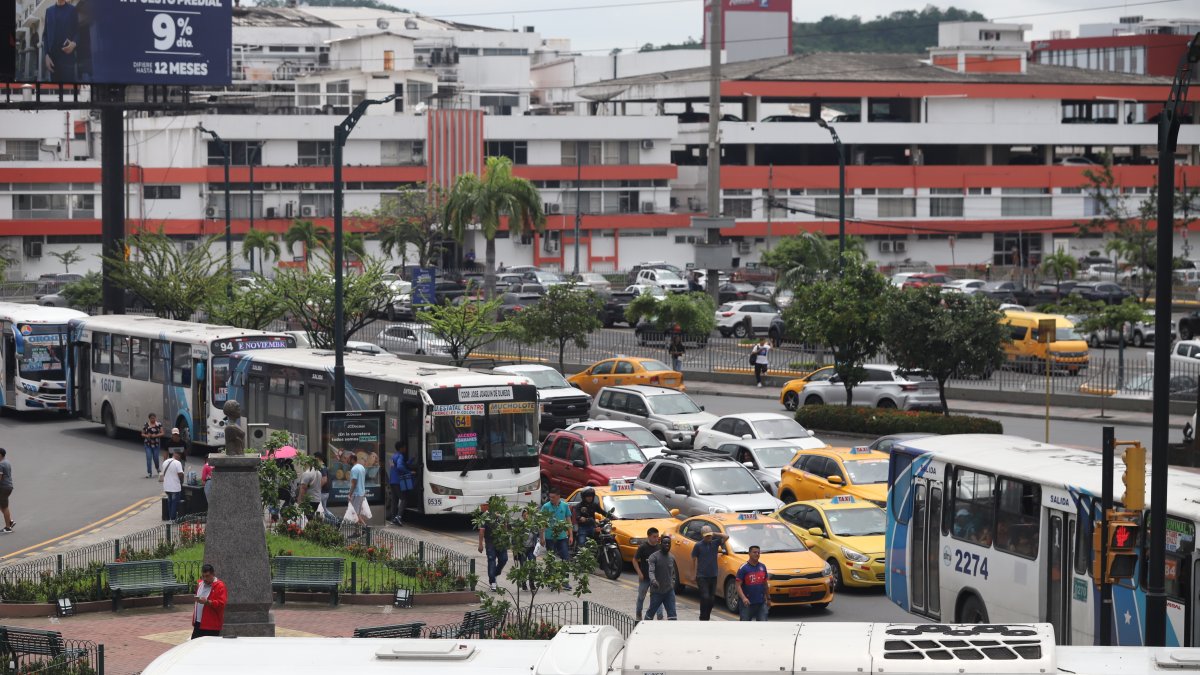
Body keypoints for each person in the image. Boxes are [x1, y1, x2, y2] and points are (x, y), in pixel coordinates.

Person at [692, 525, 729, 621]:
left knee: (711, 599)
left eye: (709, 536)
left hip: (713, 575)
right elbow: (694, 560)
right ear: (702, 536)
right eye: (706, 536)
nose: (709, 538)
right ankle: (702, 616)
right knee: (705, 596)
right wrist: (694, 573)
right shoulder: (698, 546)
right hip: (702, 576)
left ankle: (707, 616)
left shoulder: (715, 543)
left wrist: (714, 533)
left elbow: (726, 536)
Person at [41, 0, 78, 83]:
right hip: (53, 61)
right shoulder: (49, 11)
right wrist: (46, 55)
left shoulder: (72, 10)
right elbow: (45, 35)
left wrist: (74, 43)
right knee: (55, 89)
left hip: (67, 60)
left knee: (68, 89)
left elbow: (77, 32)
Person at [477, 497, 508, 592]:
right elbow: (482, 531)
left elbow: (505, 528)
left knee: (504, 559)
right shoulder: (485, 516)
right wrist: (480, 544)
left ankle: (496, 572)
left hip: (501, 542)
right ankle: (492, 582)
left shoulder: (501, 515)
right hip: (490, 542)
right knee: (491, 560)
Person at [634, 528, 665, 620]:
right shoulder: (643, 547)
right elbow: (634, 560)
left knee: (658, 598)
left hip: (656, 578)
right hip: (645, 578)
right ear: (649, 537)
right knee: (641, 597)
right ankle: (638, 613)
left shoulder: (659, 548)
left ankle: (660, 616)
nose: (656, 539)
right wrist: (639, 573)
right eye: (654, 537)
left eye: (657, 537)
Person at [645, 534, 678, 621]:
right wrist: (653, 580)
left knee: (673, 615)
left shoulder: (672, 557)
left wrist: (672, 584)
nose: (667, 545)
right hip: (657, 592)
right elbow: (651, 571)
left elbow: (673, 574)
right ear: (660, 544)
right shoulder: (653, 557)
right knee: (650, 614)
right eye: (665, 543)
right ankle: (644, 628)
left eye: (668, 543)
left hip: (669, 591)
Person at [191, 563, 227, 639]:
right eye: (203, 576)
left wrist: (208, 602)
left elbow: (221, 604)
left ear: (213, 574)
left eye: (207, 576)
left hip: (211, 625)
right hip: (198, 623)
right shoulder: (200, 584)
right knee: (194, 646)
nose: (205, 579)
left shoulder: (220, 586)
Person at [539, 488, 574, 563]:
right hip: (550, 537)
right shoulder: (546, 507)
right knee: (551, 559)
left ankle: (565, 574)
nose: (551, 499)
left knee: (565, 558)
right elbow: (542, 523)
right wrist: (541, 537)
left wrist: (571, 535)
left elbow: (569, 521)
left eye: (553, 497)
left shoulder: (565, 506)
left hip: (562, 537)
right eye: (550, 497)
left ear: (558, 496)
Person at [736, 544, 770, 621]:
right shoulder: (743, 568)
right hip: (747, 603)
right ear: (749, 553)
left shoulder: (762, 567)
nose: (757, 554)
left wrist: (768, 598)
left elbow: (765, 584)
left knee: (763, 625)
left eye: (758, 552)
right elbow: (737, 585)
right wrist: (744, 598)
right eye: (754, 552)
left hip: (761, 602)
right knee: (745, 626)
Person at [388, 444, 415, 526]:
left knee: (394, 500)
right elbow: (400, 467)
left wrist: (412, 459)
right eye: (404, 447)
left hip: (392, 480)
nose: (405, 448)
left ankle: (393, 519)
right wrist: (410, 472)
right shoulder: (400, 456)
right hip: (398, 481)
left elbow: (400, 465)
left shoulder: (393, 456)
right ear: (401, 448)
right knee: (403, 499)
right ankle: (398, 517)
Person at [160, 449, 185, 521]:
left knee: (169, 501)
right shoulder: (177, 463)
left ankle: (170, 517)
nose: (180, 457)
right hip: (175, 487)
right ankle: (173, 518)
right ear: (177, 455)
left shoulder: (165, 462)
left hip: (166, 486)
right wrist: (182, 479)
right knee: (174, 502)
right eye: (179, 455)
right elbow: (180, 474)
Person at [346, 453, 367, 526]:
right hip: (361, 493)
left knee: (355, 514)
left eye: (349, 459)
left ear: (352, 460)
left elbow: (354, 483)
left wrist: (349, 494)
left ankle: (365, 528)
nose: (348, 461)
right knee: (356, 513)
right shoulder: (362, 467)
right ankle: (358, 531)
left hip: (356, 494)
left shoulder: (354, 469)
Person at [141, 413, 164, 478]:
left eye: (154, 418)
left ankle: (157, 468)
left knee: (156, 458)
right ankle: (149, 472)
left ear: (155, 418)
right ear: (149, 418)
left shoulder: (158, 424)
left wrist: (156, 435)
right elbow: (142, 434)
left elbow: (162, 433)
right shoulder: (146, 425)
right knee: (149, 458)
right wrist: (147, 436)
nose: (153, 419)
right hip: (148, 444)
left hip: (156, 444)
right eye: (151, 418)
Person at [0, 448, 13, 533]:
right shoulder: (7, 462)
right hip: (8, 486)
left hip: (3, 487)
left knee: (4, 507)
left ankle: (8, 527)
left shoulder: (1, 464)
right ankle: (10, 521)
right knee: (2, 505)